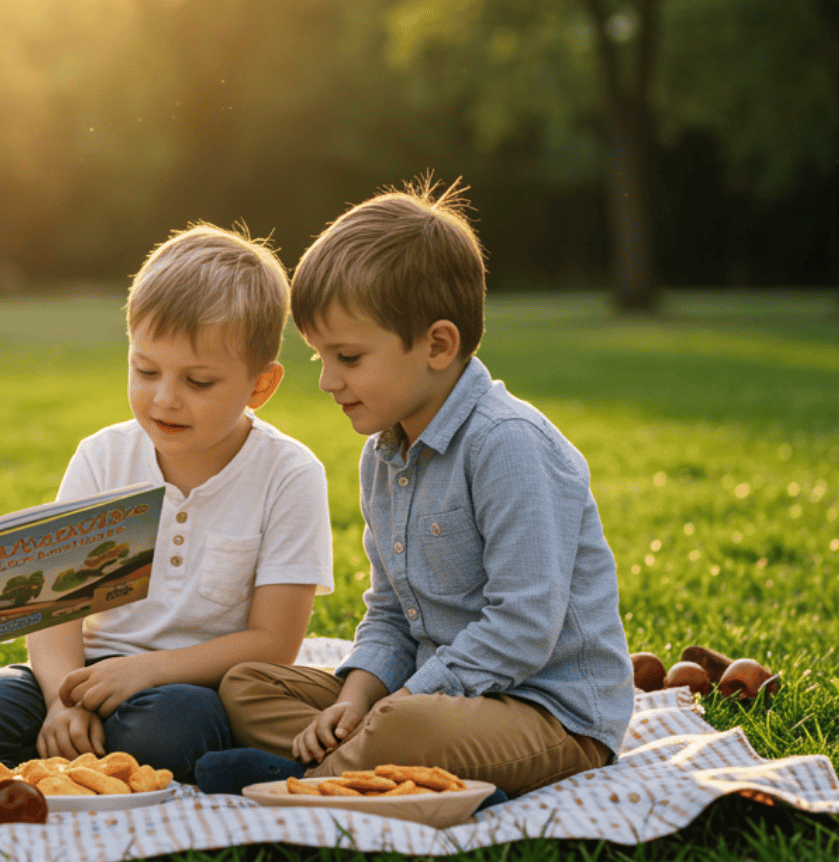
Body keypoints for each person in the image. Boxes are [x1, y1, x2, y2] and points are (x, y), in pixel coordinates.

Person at [207, 180, 633, 798]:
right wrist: (355, 702)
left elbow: (524, 625)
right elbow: (389, 613)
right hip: (424, 696)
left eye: (348, 357)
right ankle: (348, 761)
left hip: (547, 714)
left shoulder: (507, 444)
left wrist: (398, 703)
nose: (327, 380)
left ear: (437, 345)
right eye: (318, 357)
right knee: (247, 684)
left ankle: (308, 780)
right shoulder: (382, 455)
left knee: (406, 726)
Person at [0, 226, 333, 783]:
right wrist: (61, 699)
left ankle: (89, 754)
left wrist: (145, 672)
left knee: (164, 731)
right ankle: (80, 744)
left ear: (260, 387)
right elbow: (55, 612)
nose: (164, 397)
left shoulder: (289, 474)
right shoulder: (103, 457)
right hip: (82, 673)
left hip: (187, 686)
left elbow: (275, 642)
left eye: (198, 381)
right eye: (146, 370)